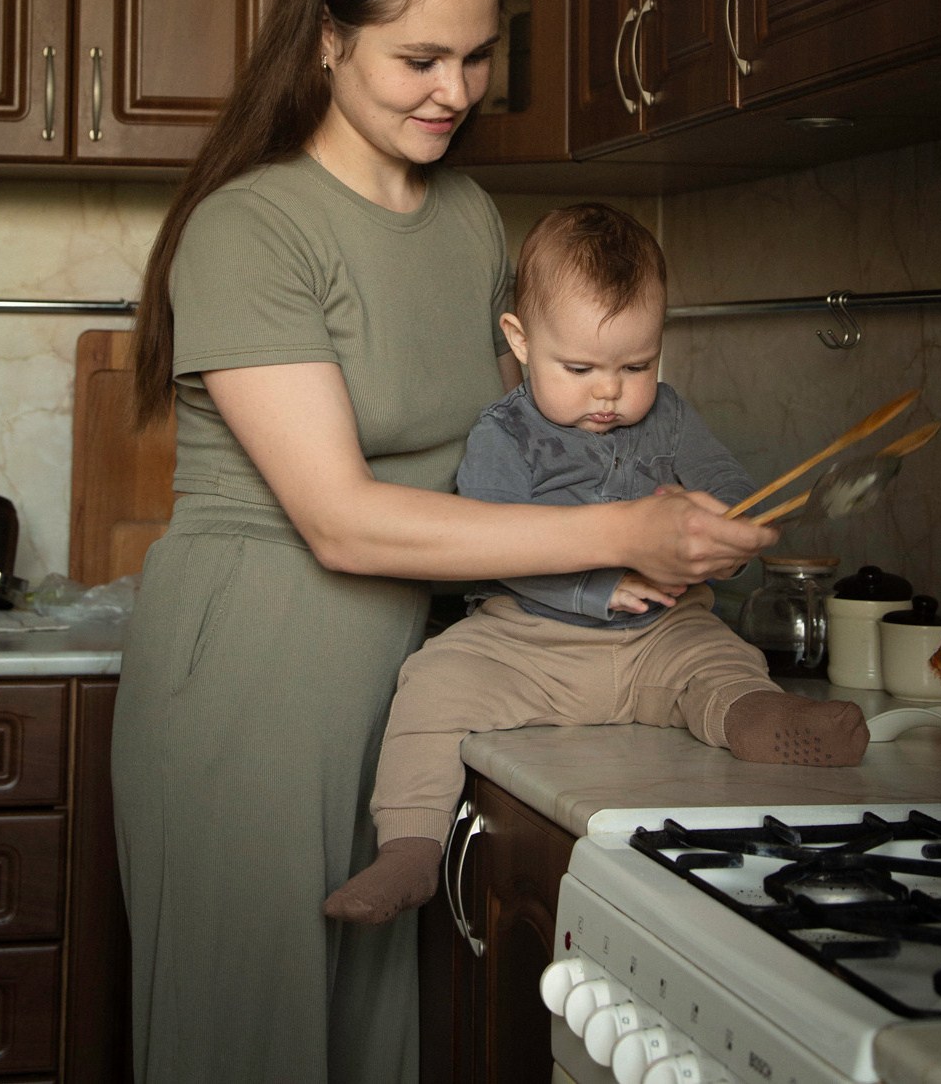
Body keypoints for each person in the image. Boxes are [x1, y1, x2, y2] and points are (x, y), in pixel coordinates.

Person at [112, 0, 778, 1084]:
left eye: (478, 58)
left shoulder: (470, 216)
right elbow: (343, 521)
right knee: (247, 1041)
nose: (455, 92)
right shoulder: (250, 228)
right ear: (326, 37)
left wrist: (664, 527)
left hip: (416, 671)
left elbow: (528, 447)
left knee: (373, 1042)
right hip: (253, 675)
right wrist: (617, 531)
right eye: (420, 56)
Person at [325, 203, 870, 928]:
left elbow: (730, 485)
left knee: (719, 657)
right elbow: (495, 541)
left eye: (635, 365)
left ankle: (763, 718)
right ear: (519, 341)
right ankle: (408, 848)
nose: (608, 391)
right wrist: (595, 585)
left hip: (658, 637)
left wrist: (734, 523)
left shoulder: (669, 416)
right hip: (526, 645)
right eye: (578, 368)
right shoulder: (503, 433)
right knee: (431, 684)